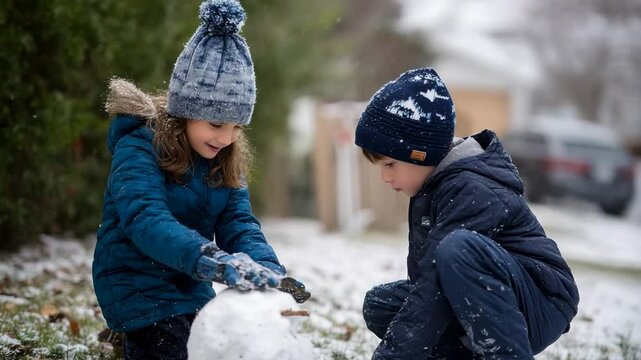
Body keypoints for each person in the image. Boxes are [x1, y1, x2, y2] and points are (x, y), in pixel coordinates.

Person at [92, 1, 305, 359]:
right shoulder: (140, 147)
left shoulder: (223, 158)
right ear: (186, 111)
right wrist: (208, 259)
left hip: (189, 283)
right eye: (217, 124)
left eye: (237, 127)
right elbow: (145, 219)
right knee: (172, 349)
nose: (226, 138)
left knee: (224, 345)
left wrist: (266, 269)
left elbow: (238, 223)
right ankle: (131, 334)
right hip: (135, 283)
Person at [355, 67, 579, 359]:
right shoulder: (433, 185)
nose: (385, 178)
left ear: (419, 153)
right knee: (381, 305)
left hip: (539, 300)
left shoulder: (470, 188)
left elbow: (435, 285)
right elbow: (429, 286)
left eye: (389, 165)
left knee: (456, 249)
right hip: (489, 299)